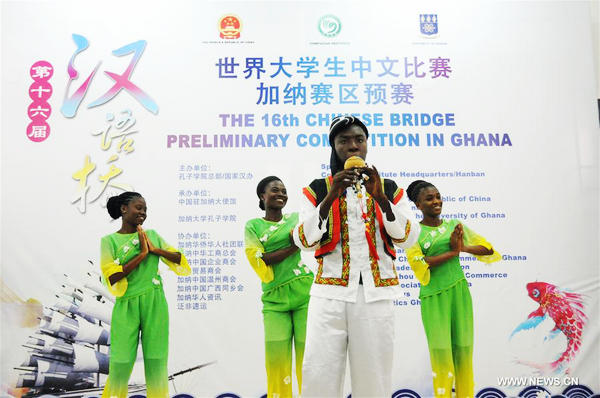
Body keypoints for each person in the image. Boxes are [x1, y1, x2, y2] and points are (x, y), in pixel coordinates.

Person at [291, 116, 419, 397]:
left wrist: (381, 199)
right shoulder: (317, 189)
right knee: (318, 374)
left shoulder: (387, 187)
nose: (352, 146)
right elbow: (303, 240)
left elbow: (409, 237)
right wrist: (331, 196)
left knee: (374, 378)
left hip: (375, 297)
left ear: (366, 145)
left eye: (358, 139)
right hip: (328, 296)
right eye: (344, 140)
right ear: (333, 147)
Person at [405, 180, 501, 398]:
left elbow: (487, 249)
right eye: (429, 198)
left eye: (438, 196)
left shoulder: (454, 226)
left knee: (464, 350)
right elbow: (421, 262)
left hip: (459, 292)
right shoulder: (413, 233)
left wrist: (463, 247)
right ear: (418, 205)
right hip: (433, 297)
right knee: (441, 355)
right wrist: (453, 253)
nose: (436, 201)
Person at [100, 192, 190, 398]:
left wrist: (155, 249)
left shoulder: (153, 235)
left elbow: (180, 259)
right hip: (126, 305)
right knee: (121, 362)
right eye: (138, 208)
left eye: (145, 210)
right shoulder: (109, 241)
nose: (143, 213)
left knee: (156, 360)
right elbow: (112, 277)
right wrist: (141, 254)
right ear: (124, 209)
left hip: (155, 301)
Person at [244, 176, 314, 397]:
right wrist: (293, 246)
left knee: (310, 359)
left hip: (305, 293)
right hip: (274, 299)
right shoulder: (253, 226)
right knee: (276, 362)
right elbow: (259, 259)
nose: (281, 194)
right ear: (262, 196)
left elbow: (311, 237)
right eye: (275, 190)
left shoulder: (296, 218)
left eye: (284, 191)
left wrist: (279, 251)